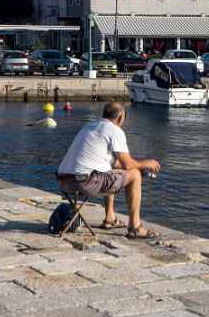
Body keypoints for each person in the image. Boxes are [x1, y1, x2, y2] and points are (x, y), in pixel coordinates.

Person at [56, 101, 161, 239]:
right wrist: (146, 163)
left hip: (64, 181)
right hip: (84, 182)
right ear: (121, 117)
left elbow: (116, 163)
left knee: (109, 172)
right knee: (135, 175)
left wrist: (137, 165)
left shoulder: (90, 126)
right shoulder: (115, 130)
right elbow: (128, 165)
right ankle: (135, 227)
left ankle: (110, 219)